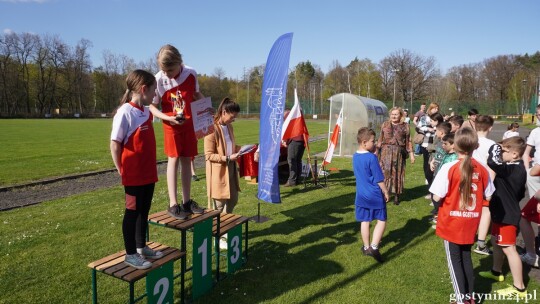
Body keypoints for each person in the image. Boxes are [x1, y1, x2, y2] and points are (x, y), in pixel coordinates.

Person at [430, 127, 495, 304]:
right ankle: (469, 297)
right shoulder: (482, 169)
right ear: (476, 146)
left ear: (456, 145)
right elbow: (489, 194)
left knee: (454, 261)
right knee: (466, 258)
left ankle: (461, 300)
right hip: (470, 222)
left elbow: (436, 196)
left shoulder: (449, 168)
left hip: (451, 221)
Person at [110, 70, 164, 269]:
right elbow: (115, 144)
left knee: (144, 211)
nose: (155, 95)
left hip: (148, 174)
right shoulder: (125, 112)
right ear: (143, 89)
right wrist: (121, 170)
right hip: (133, 176)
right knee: (131, 213)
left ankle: (141, 247)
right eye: (153, 90)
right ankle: (130, 254)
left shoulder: (146, 111)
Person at [150, 44, 205, 220]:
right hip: (171, 126)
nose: (167, 74)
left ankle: (187, 202)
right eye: (163, 70)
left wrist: (207, 108)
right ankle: (173, 204)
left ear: (179, 62)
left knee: (187, 159)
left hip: (189, 125)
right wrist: (166, 118)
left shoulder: (191, 73)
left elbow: (196, 96)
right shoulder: (158, 79)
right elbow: (152, 106)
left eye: (170, 70)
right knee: (173, 159)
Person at [479, 137, 527, 299]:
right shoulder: (511, 166)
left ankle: (519, 288)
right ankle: (496, 271)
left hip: (508, 215)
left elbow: (493, 161)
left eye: (504, 151)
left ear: (514, 154)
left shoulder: (515, 168)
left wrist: (495, 146)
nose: (501, 154)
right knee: (495, 242)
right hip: (501, 212)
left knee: (509, 249)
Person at [204, 98, 241, 249]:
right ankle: (216, 236)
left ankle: (224, 230)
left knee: (232, 201)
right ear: (224, 112)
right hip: (218, 175)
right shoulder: (211, 129)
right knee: (218, 207)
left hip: (231, 171)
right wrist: (226, 158)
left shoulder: (229, 127)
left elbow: (231, 146)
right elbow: (208, 155)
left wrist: (244, 149)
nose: (234, 119)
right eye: (232, 116)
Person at [353, 127, 389, 263]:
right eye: (373, 141)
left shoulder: (355, 156)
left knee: (365, 220)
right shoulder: (371, 158)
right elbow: (379, 178)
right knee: (382, 219)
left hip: (361, 195)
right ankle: (374, 246)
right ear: (364, 142)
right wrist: (385, 191)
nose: (375, 144)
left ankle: (366, 247)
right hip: (374, 194)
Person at [376, 107, 415, 205]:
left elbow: (408, 140)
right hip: (385, 152)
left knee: (397, 174)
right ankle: (384, 193)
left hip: (399, 153)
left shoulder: (405, 126)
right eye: (392, 114)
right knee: (384, 173)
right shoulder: (385, 124)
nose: (394, 116)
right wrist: (376, 151)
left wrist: (411, 155)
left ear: (401, 115)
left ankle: (397, 195)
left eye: (396, 114)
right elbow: (380, 139)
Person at [471, 115, 496, 256]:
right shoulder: (492, 145)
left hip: (468, 179)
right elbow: (492, 167)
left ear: (475, 126)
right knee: (486, 211)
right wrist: (489, 188)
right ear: (490, 128)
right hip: (483, 181)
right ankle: (480, 243)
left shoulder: (469, 141)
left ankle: (467, 236)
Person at [283, 109, 306, 187]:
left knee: (292, 161)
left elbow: (288, 129)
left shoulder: (290, 117)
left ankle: (292, 181)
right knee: (297, 161)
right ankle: (297, 179)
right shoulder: (298, 116)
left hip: (295, 140)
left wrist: (285, 140)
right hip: (302, 140)